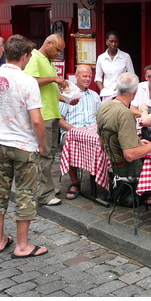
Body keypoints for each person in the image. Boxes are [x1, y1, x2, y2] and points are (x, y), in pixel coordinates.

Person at [0, 34, 47, 259]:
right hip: (24, 145)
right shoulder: (28, 82)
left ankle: (0, 240)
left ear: (6, 52)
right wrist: (42, 144)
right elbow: (36, 120)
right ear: (24, 56)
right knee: (25, 193)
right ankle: (22, 245)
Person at [96, 72, 151, 218]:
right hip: (128, 168)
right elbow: (130, 155)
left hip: (115, 164)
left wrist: (137, 143)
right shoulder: (125, 113)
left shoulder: (104, 106)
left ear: (117, 88)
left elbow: (103, 141)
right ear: (134, 92)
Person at [24, 34, 69, 206]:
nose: (59, 53)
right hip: (44, 114)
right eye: (57, 49)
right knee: (45, 155)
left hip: (52, 112)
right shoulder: (35, 58)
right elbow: (30, 82)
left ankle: (46, 186)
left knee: (50, 154)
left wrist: (66, 99)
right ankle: (44, 194)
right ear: (48, 44)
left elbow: (49, 89)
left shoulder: (47, 60)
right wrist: (53, 78)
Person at [58, 64, 101, 200]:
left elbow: (100, 117)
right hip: (72, 131)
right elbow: (60, 120)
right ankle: (75, 183)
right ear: (76, 76)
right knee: (69, 143)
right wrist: (77, 131)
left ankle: (103, 178)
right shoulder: (67, 95)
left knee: (107, 143)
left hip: (92, 132)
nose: (88, 79)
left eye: (90, 76)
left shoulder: (94, 95)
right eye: (84, 76)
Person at [95, 31, 135, 99]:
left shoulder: (125, 56)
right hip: (107, 94)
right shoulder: (101, 58)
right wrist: (103, 91)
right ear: (106, 41)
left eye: (116, 41)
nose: (113, 44)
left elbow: (132, 75)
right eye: (111, 41)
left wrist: (124, 87)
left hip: (122, 93)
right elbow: (98, 78)